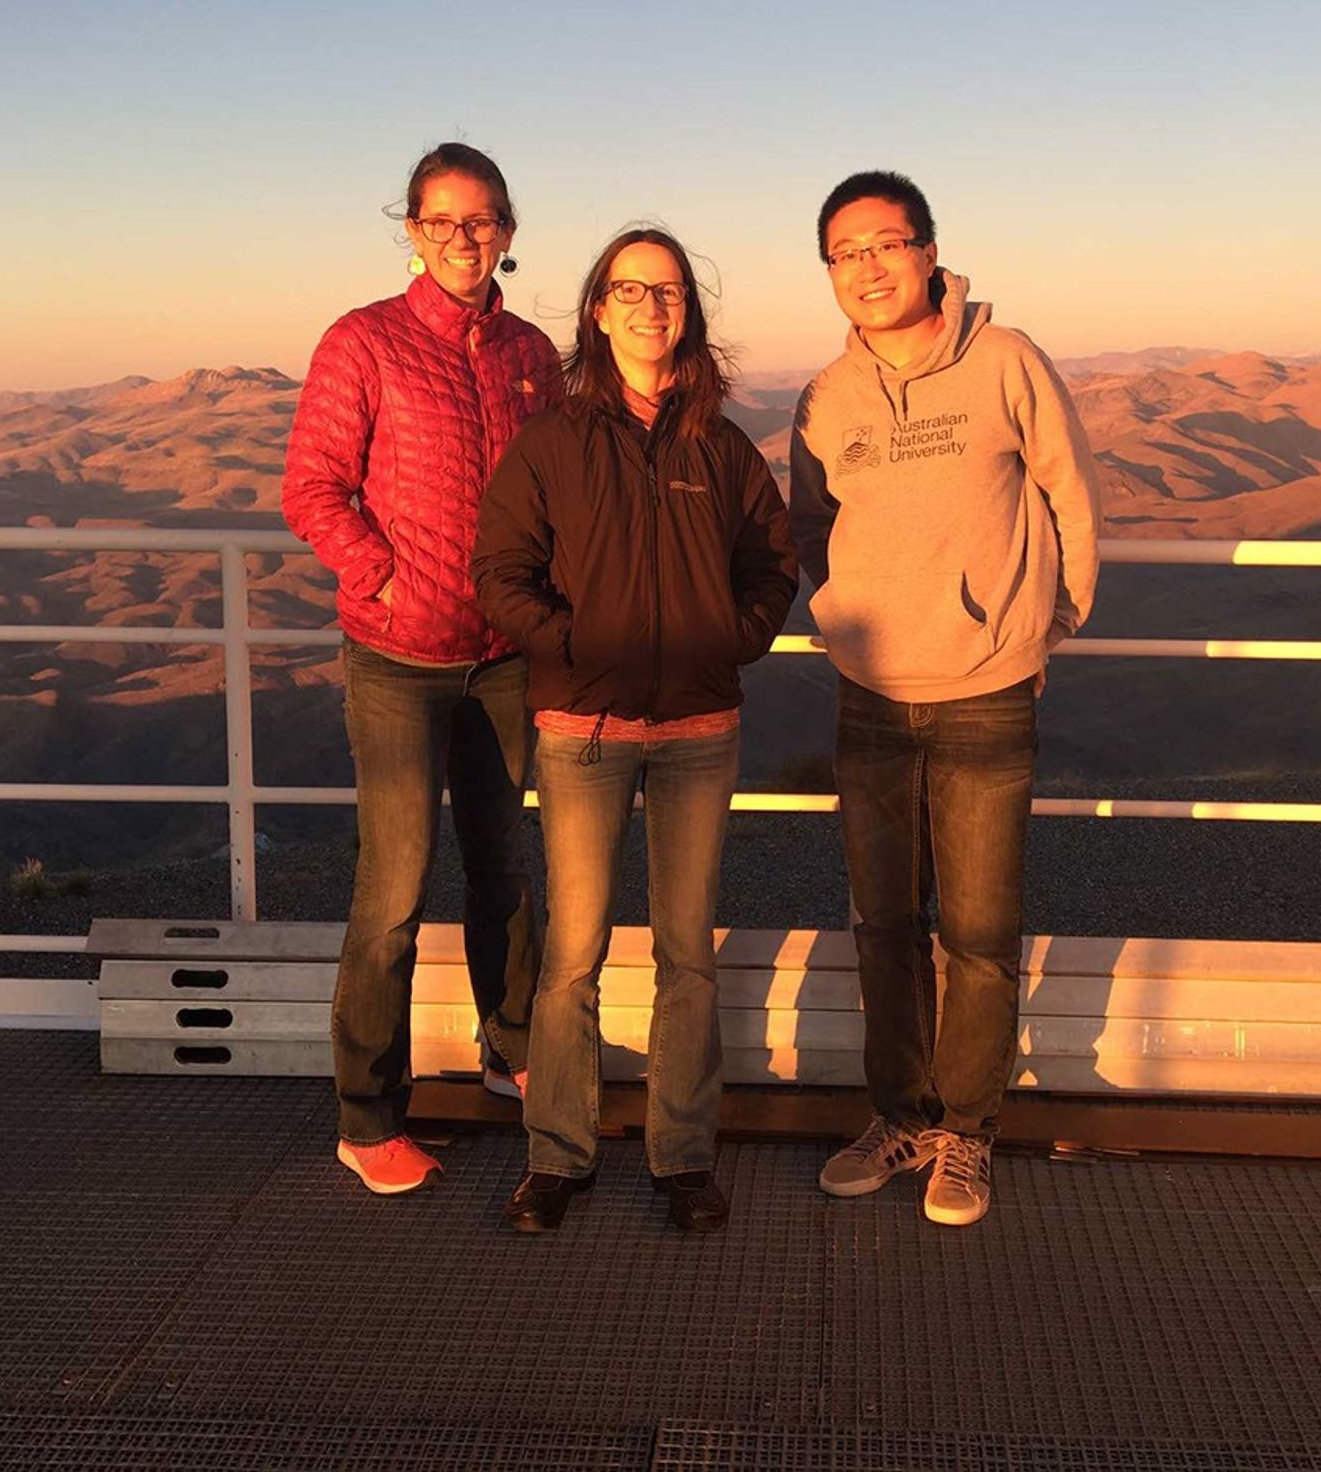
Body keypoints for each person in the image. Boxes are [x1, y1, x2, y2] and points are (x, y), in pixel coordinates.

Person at [789, 170, 1102, 1226]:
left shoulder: (1006, 360)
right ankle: (898, 1117)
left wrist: (1046, 624)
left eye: (884, 244)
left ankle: (966, 1134)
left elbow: (1067, 488)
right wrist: (836, 614)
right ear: (827, 272)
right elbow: (804, 527)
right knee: (882, 924)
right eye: (844, 252)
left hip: (984, 693)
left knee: (975, 928)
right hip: (869, 695)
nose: (865, 267)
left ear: (927, 251)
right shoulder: (826, 397)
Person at [472, 229, 797, 1233]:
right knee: (573, 951)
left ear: (686, 315)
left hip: (699, 726)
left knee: (684, 952)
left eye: (666, 290)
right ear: (598, 311)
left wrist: (729, 639)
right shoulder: (552, 444)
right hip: (581, 728)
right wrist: (571, 647)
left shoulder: (723, 447)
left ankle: (682, 1158)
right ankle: (556, 1156)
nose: (649, 305)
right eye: (629, 288)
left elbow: (771, 562)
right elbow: (499, 572)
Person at [282, 142, 561, 1196]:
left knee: (504, 870)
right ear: (409, 227)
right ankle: (366, 1114)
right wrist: (382, 574)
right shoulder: (363, 342)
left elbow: (557, 495)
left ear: (507, 229)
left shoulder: (532, 351)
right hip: (398, 658)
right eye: (440, 220)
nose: (462, 238)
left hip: (502, 659)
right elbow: (311, 487)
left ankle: (513, 1052)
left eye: (480, 219)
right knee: (393, 890)